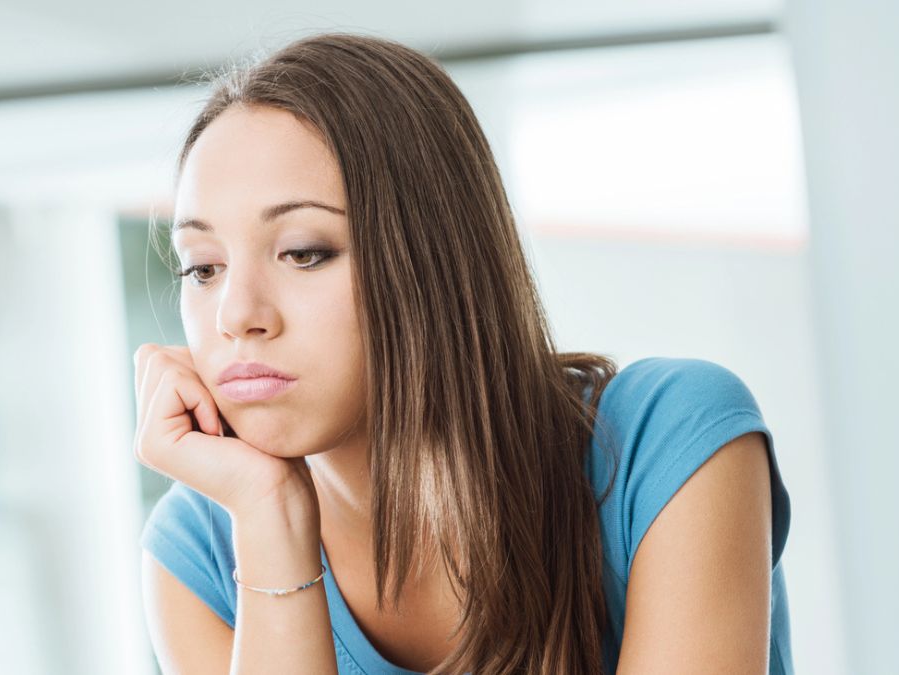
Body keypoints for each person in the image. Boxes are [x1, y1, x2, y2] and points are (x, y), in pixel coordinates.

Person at [133, 32, 793, 675]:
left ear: (433, 260)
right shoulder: (198, 557)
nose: (237, 315)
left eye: (305, 252)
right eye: (202, 267)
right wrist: (273, 521)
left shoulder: (669, 444)